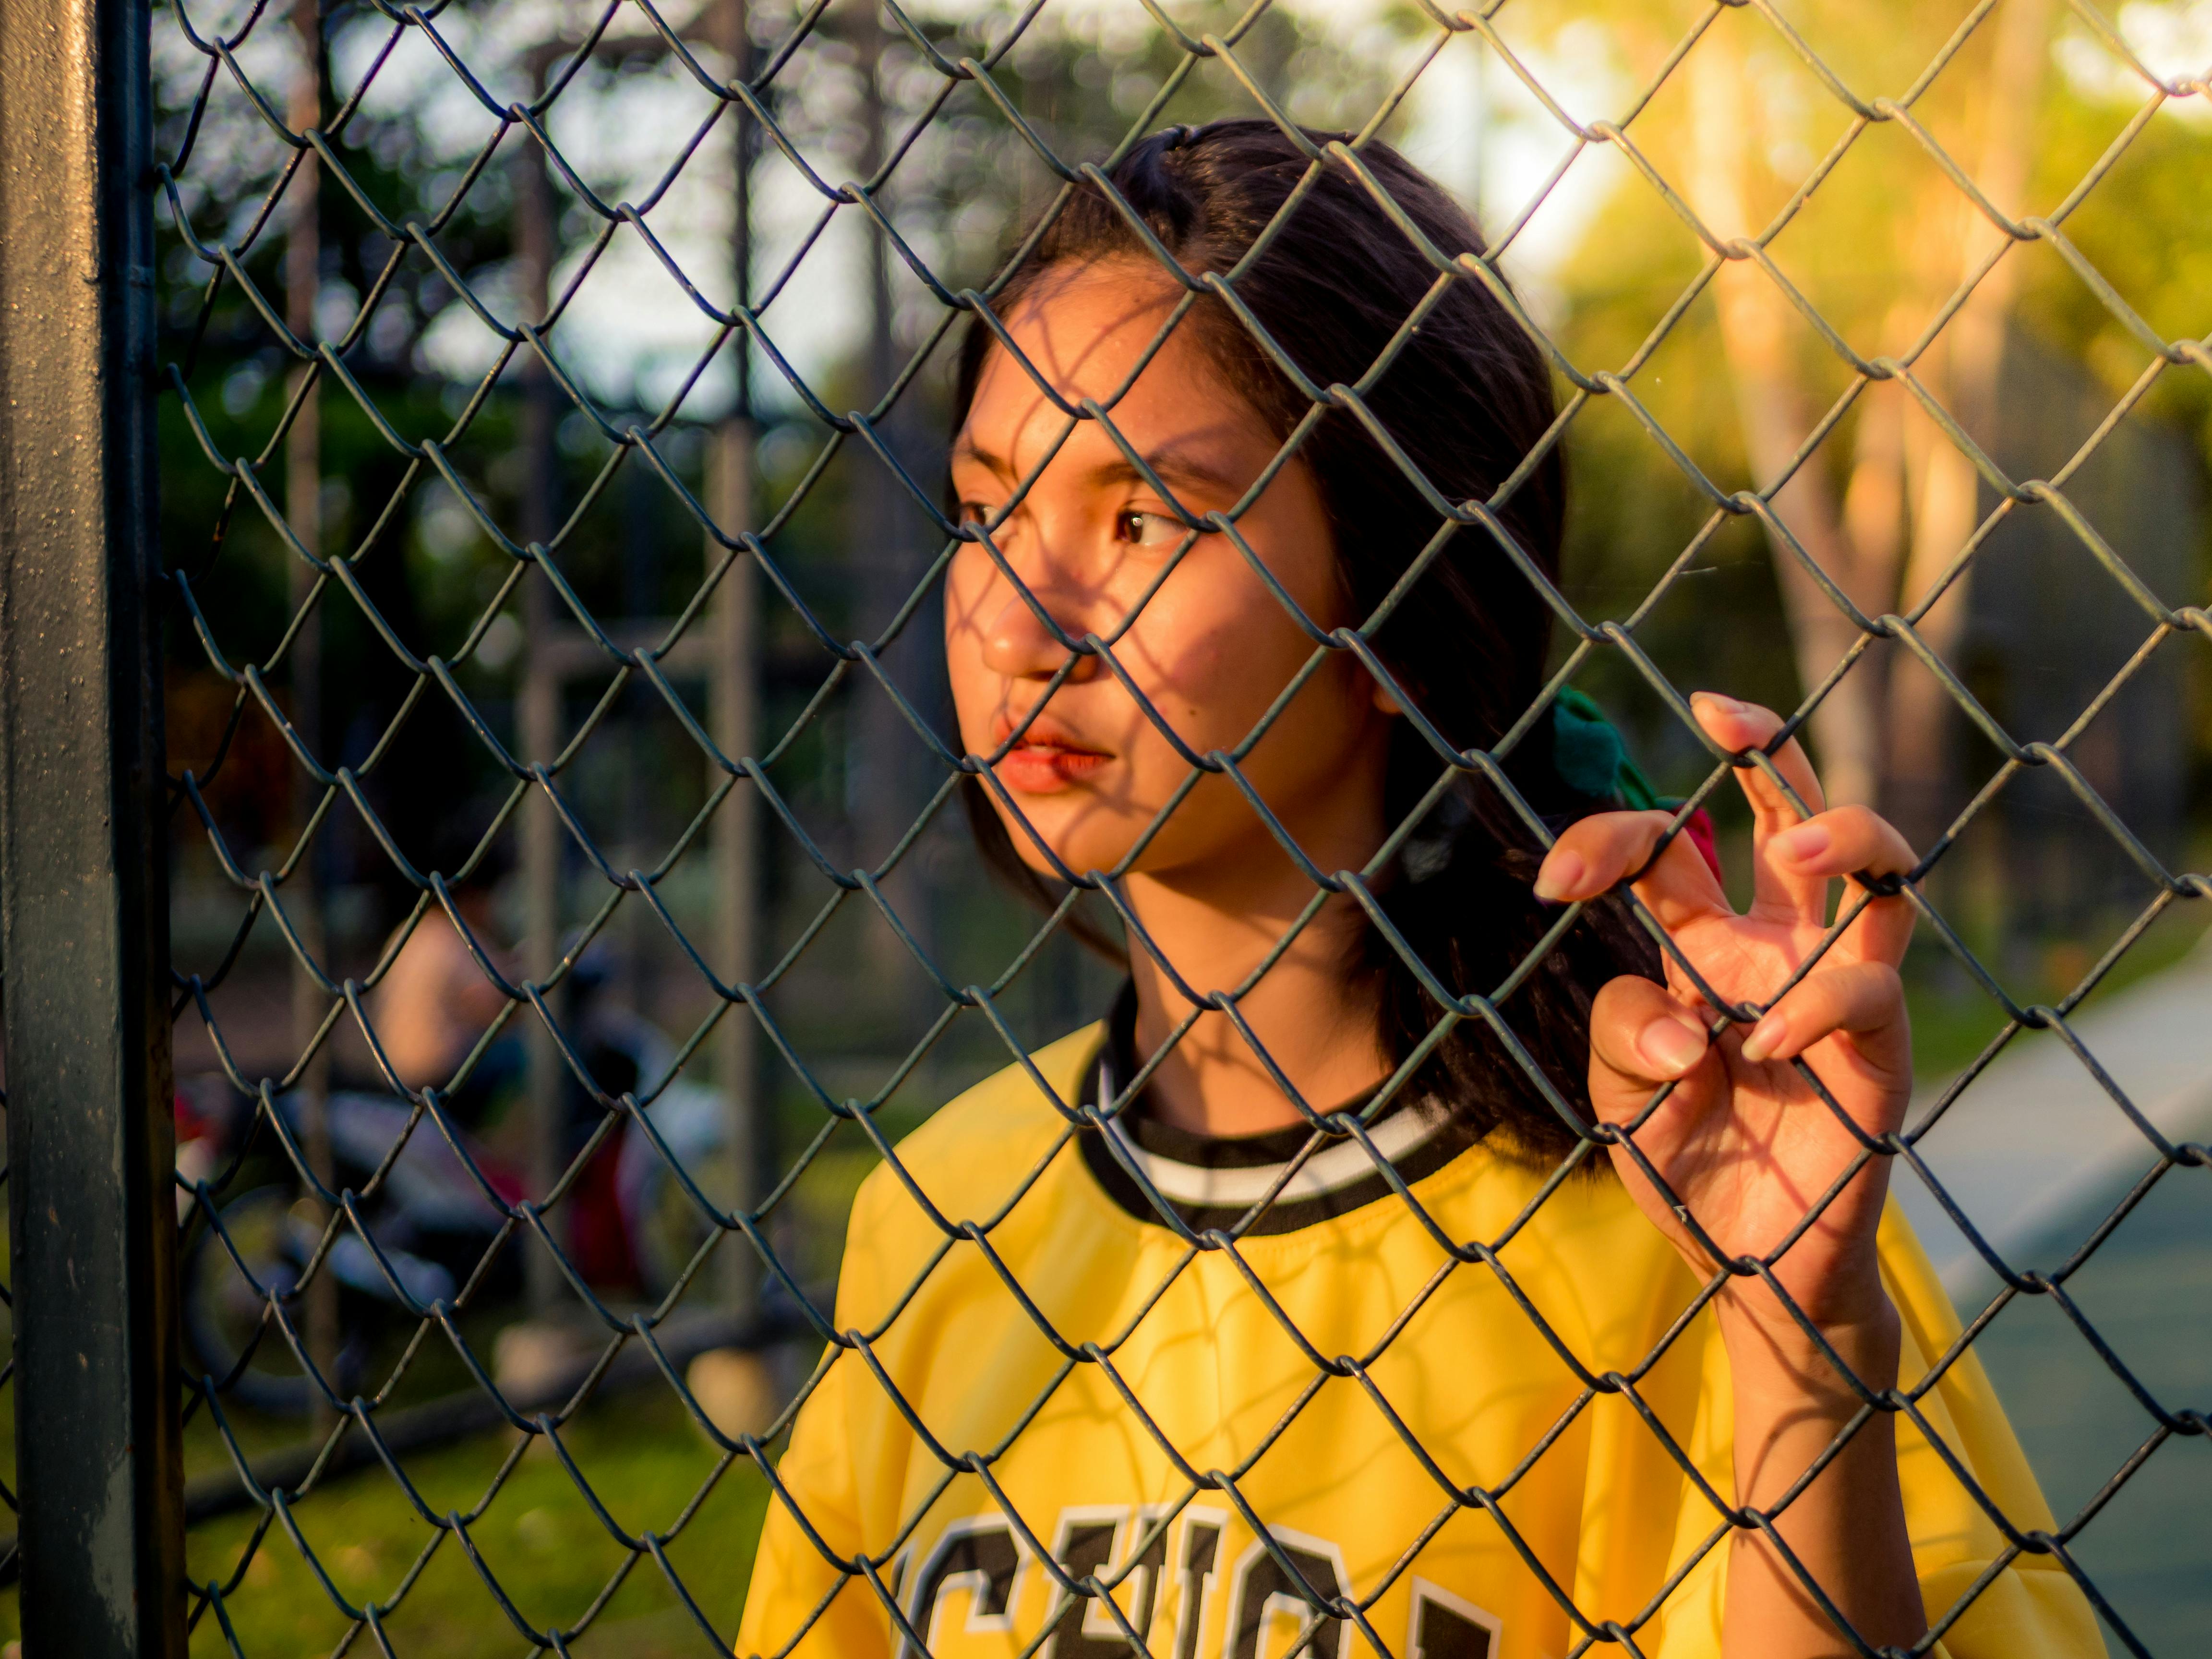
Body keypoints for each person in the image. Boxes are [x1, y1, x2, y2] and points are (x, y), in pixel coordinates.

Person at [735, 121, 2098, 1659]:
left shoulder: (1694, 1204)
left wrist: (1794, 1340)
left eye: (1141, 520)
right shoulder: (937, 1215)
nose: (1015, 620)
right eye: (989, 510)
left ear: (1395, 605)